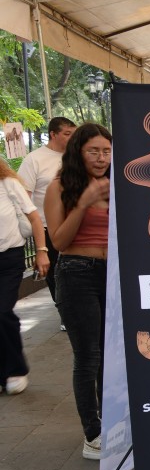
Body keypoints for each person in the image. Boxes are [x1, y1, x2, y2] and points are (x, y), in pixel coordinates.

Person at [44, 123, 111, 460]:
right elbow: (58, 241)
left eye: (106, 151)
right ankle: (92, 433)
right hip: (75, 273)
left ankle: (112, 423)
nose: (101, 158)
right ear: (78, 152)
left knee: (110, 355)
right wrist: (83, 203)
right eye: (93, 151)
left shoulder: (118, 185)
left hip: (111, 275)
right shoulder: (60, 188)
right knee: (87, 356)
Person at [0, 158, 49, 395]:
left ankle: (15, 370)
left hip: (8, 258)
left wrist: (41, 251)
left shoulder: (8, 183)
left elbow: (34, 218)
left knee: (2, 312)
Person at [18, 117, 76, 302]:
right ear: (53, 134)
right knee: (55, 272)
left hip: (76, 222)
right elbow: (23, 196)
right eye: (67, 134)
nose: (71, 138)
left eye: (74, 134)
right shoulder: (34, 159)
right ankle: (63, 310)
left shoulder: (77, 157)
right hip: (47, 226)